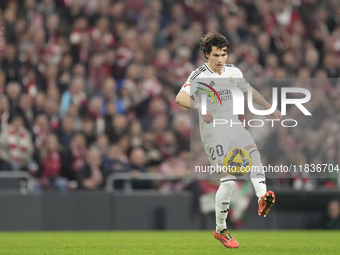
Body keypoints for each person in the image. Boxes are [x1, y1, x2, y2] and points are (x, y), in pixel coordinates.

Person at [175, 32, 282, 249]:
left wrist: (268, 107)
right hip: (213, 134)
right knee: (229, 180)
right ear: (207, 54)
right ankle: (220, 230)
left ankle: (263, 196)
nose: (220, 59)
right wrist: (200, 106)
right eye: (215, 55)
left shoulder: (233, 71)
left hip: (234, 127)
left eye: (224, 54)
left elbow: (248, 90)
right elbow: (180, 97)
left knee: (254, 153)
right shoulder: (198, 76)